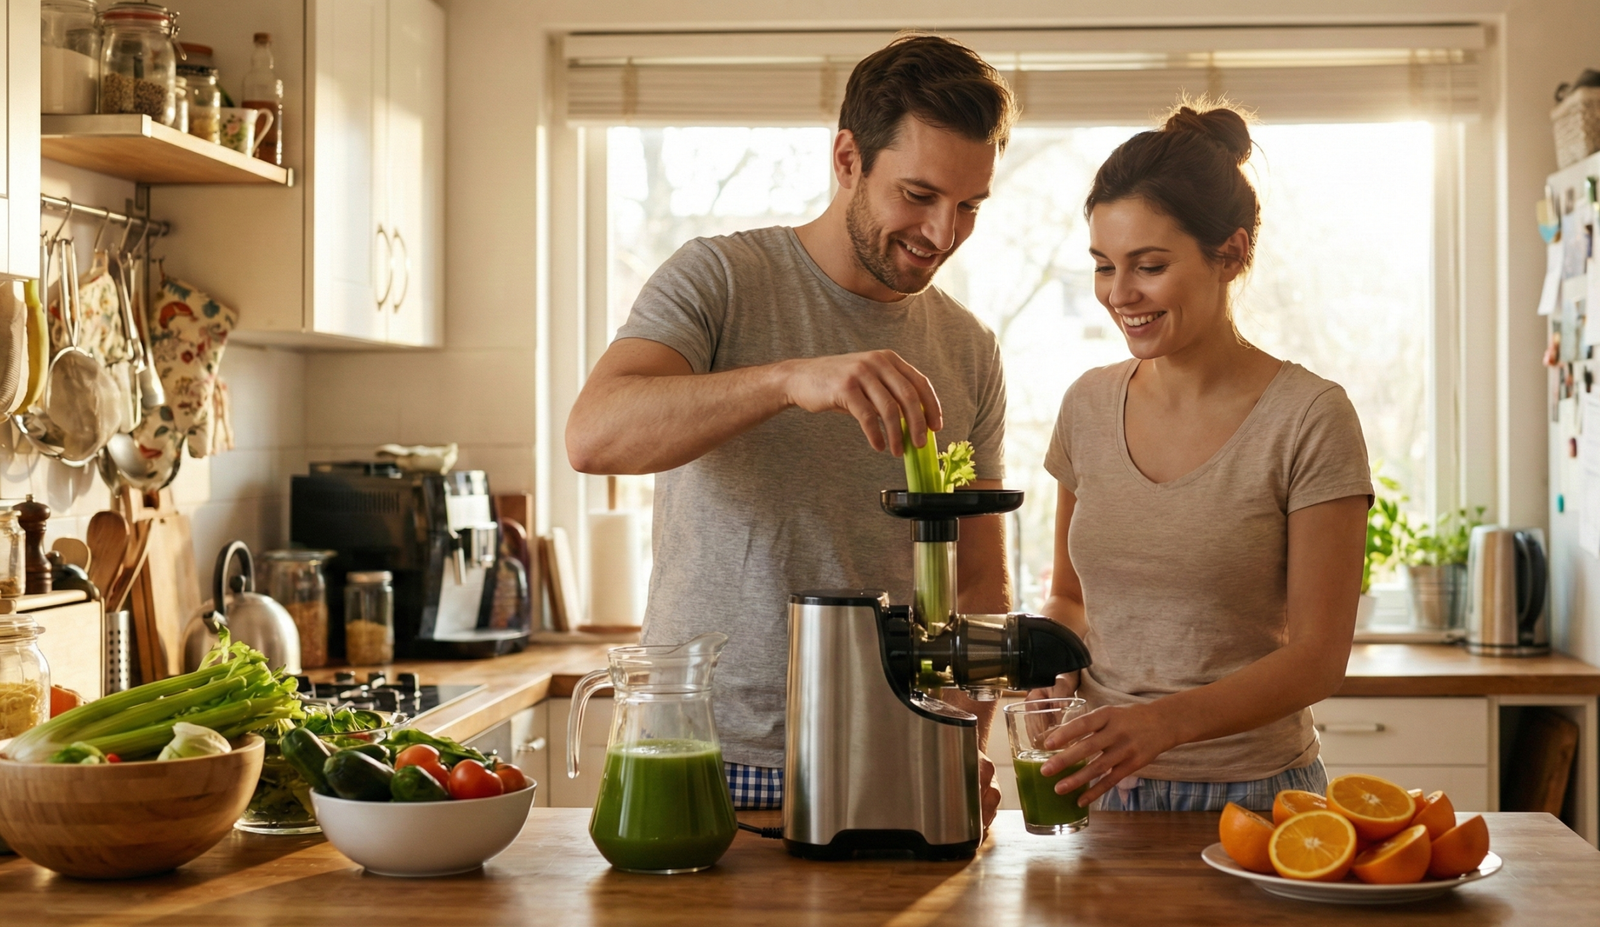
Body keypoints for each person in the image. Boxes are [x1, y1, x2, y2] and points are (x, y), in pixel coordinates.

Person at [566, 34, 1016, 818]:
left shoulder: (969, 349)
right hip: (704, 753)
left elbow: (980, 581)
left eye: (969, 206)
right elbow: (593, 434)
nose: (943, 233)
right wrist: (787, 379)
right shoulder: (721, 279)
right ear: (848, 159)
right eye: (918, 195)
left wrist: (960, 739)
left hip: (890, 754)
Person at [1032, 104, 1372, 812]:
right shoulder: (1086, 408)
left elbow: (1317, 656)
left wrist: (1161, 724)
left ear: (1232, 253)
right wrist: (1051, 673)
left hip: (1256, 795)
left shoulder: (1309, 417)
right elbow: (1069, 597)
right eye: (1103, 266)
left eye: (1149, 266)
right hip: (1103, 785)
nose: (1120, 295)